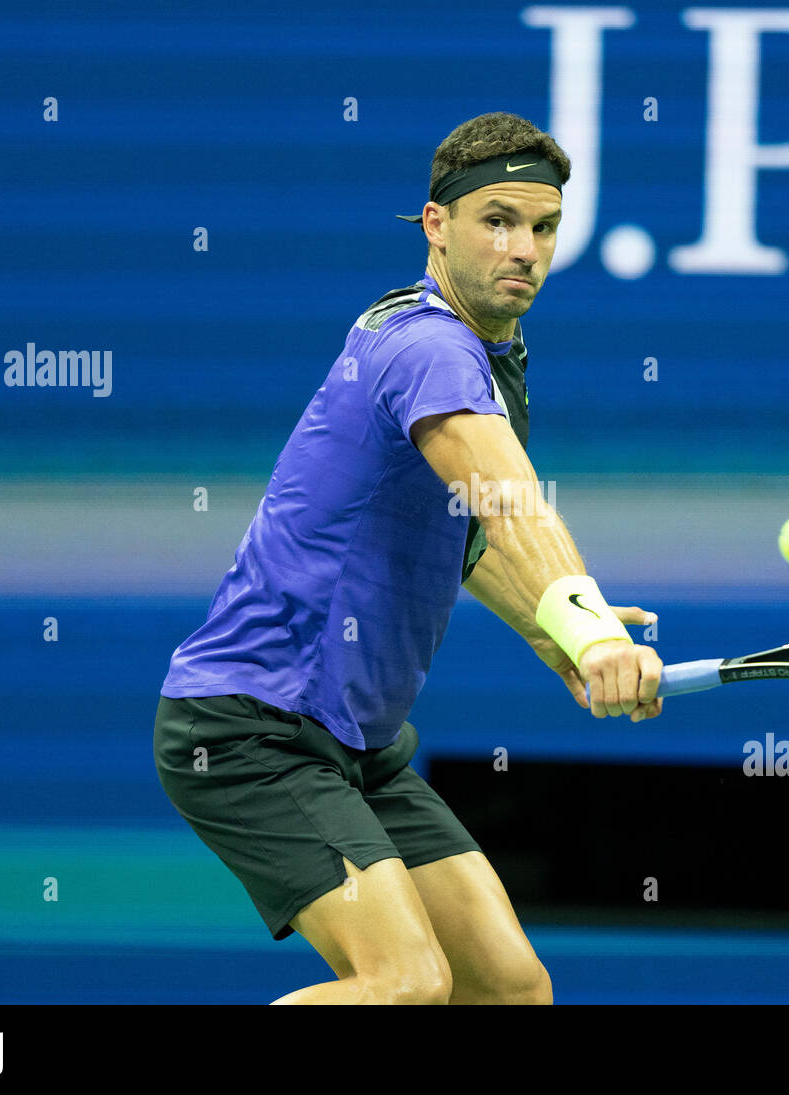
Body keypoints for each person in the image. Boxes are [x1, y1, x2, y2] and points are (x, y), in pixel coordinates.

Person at [153, 111, 663, 1005]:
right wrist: (591, 634)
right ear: (437, 224)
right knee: (403, 982)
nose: (525, 249)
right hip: (253, 726)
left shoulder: (476, 355)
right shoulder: (431, 349)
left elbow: (466, 539)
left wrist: (557, 635)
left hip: (358, 741)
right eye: (497, 220)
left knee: (507, 988)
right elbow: (508, 500)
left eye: (544, 228)